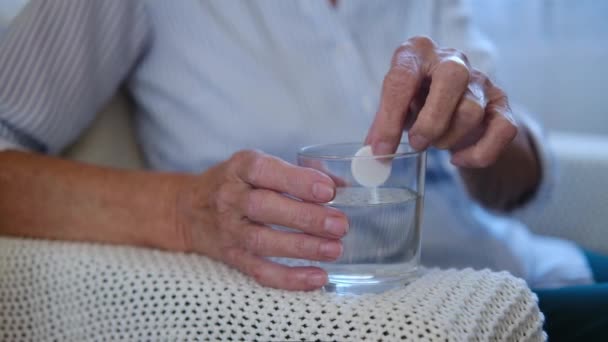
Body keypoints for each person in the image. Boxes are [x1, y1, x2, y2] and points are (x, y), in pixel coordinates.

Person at [0, 1, 605, 340]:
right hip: (426, 319)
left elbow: (520, 184)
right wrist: (184, 212)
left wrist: (480, 130)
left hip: (533, 268)